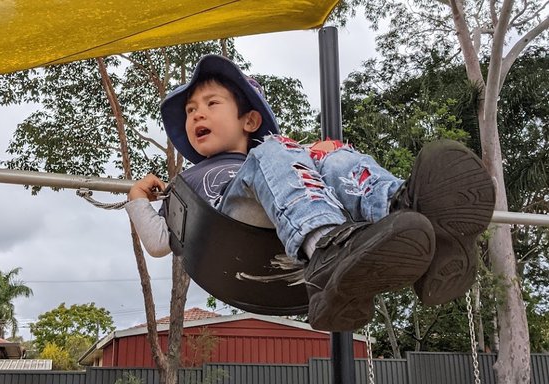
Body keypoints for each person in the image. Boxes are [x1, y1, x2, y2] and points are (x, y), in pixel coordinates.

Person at [126, 54, 495, 331]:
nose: (196, 116)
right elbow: (160, 242)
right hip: (232, 231)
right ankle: (326, 250)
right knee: (274, 149)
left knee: (330, 154)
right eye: (190, 111)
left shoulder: (282, 158)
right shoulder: (190, 182)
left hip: (293, 233)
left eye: (210, 104)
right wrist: (137, 197)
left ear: (249, 119)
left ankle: (411, 215)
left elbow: (300, 164)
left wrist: (321, 156)